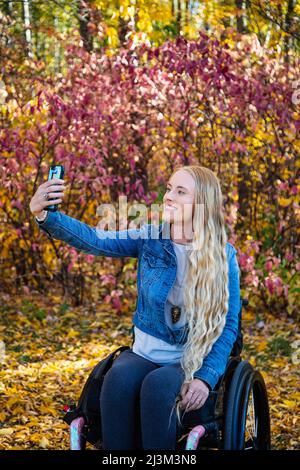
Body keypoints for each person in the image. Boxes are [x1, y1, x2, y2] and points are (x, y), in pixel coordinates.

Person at [29, 165, 240, 450]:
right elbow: (94, 239)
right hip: (144, 351)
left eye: (180, 191)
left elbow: (228, 326)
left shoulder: (223, 256)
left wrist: (205, 378)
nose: (168, 196)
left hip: (189, 359)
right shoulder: (150, 239)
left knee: (158, 387)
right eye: (168, 188)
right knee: (116, 380)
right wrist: (45, 215)